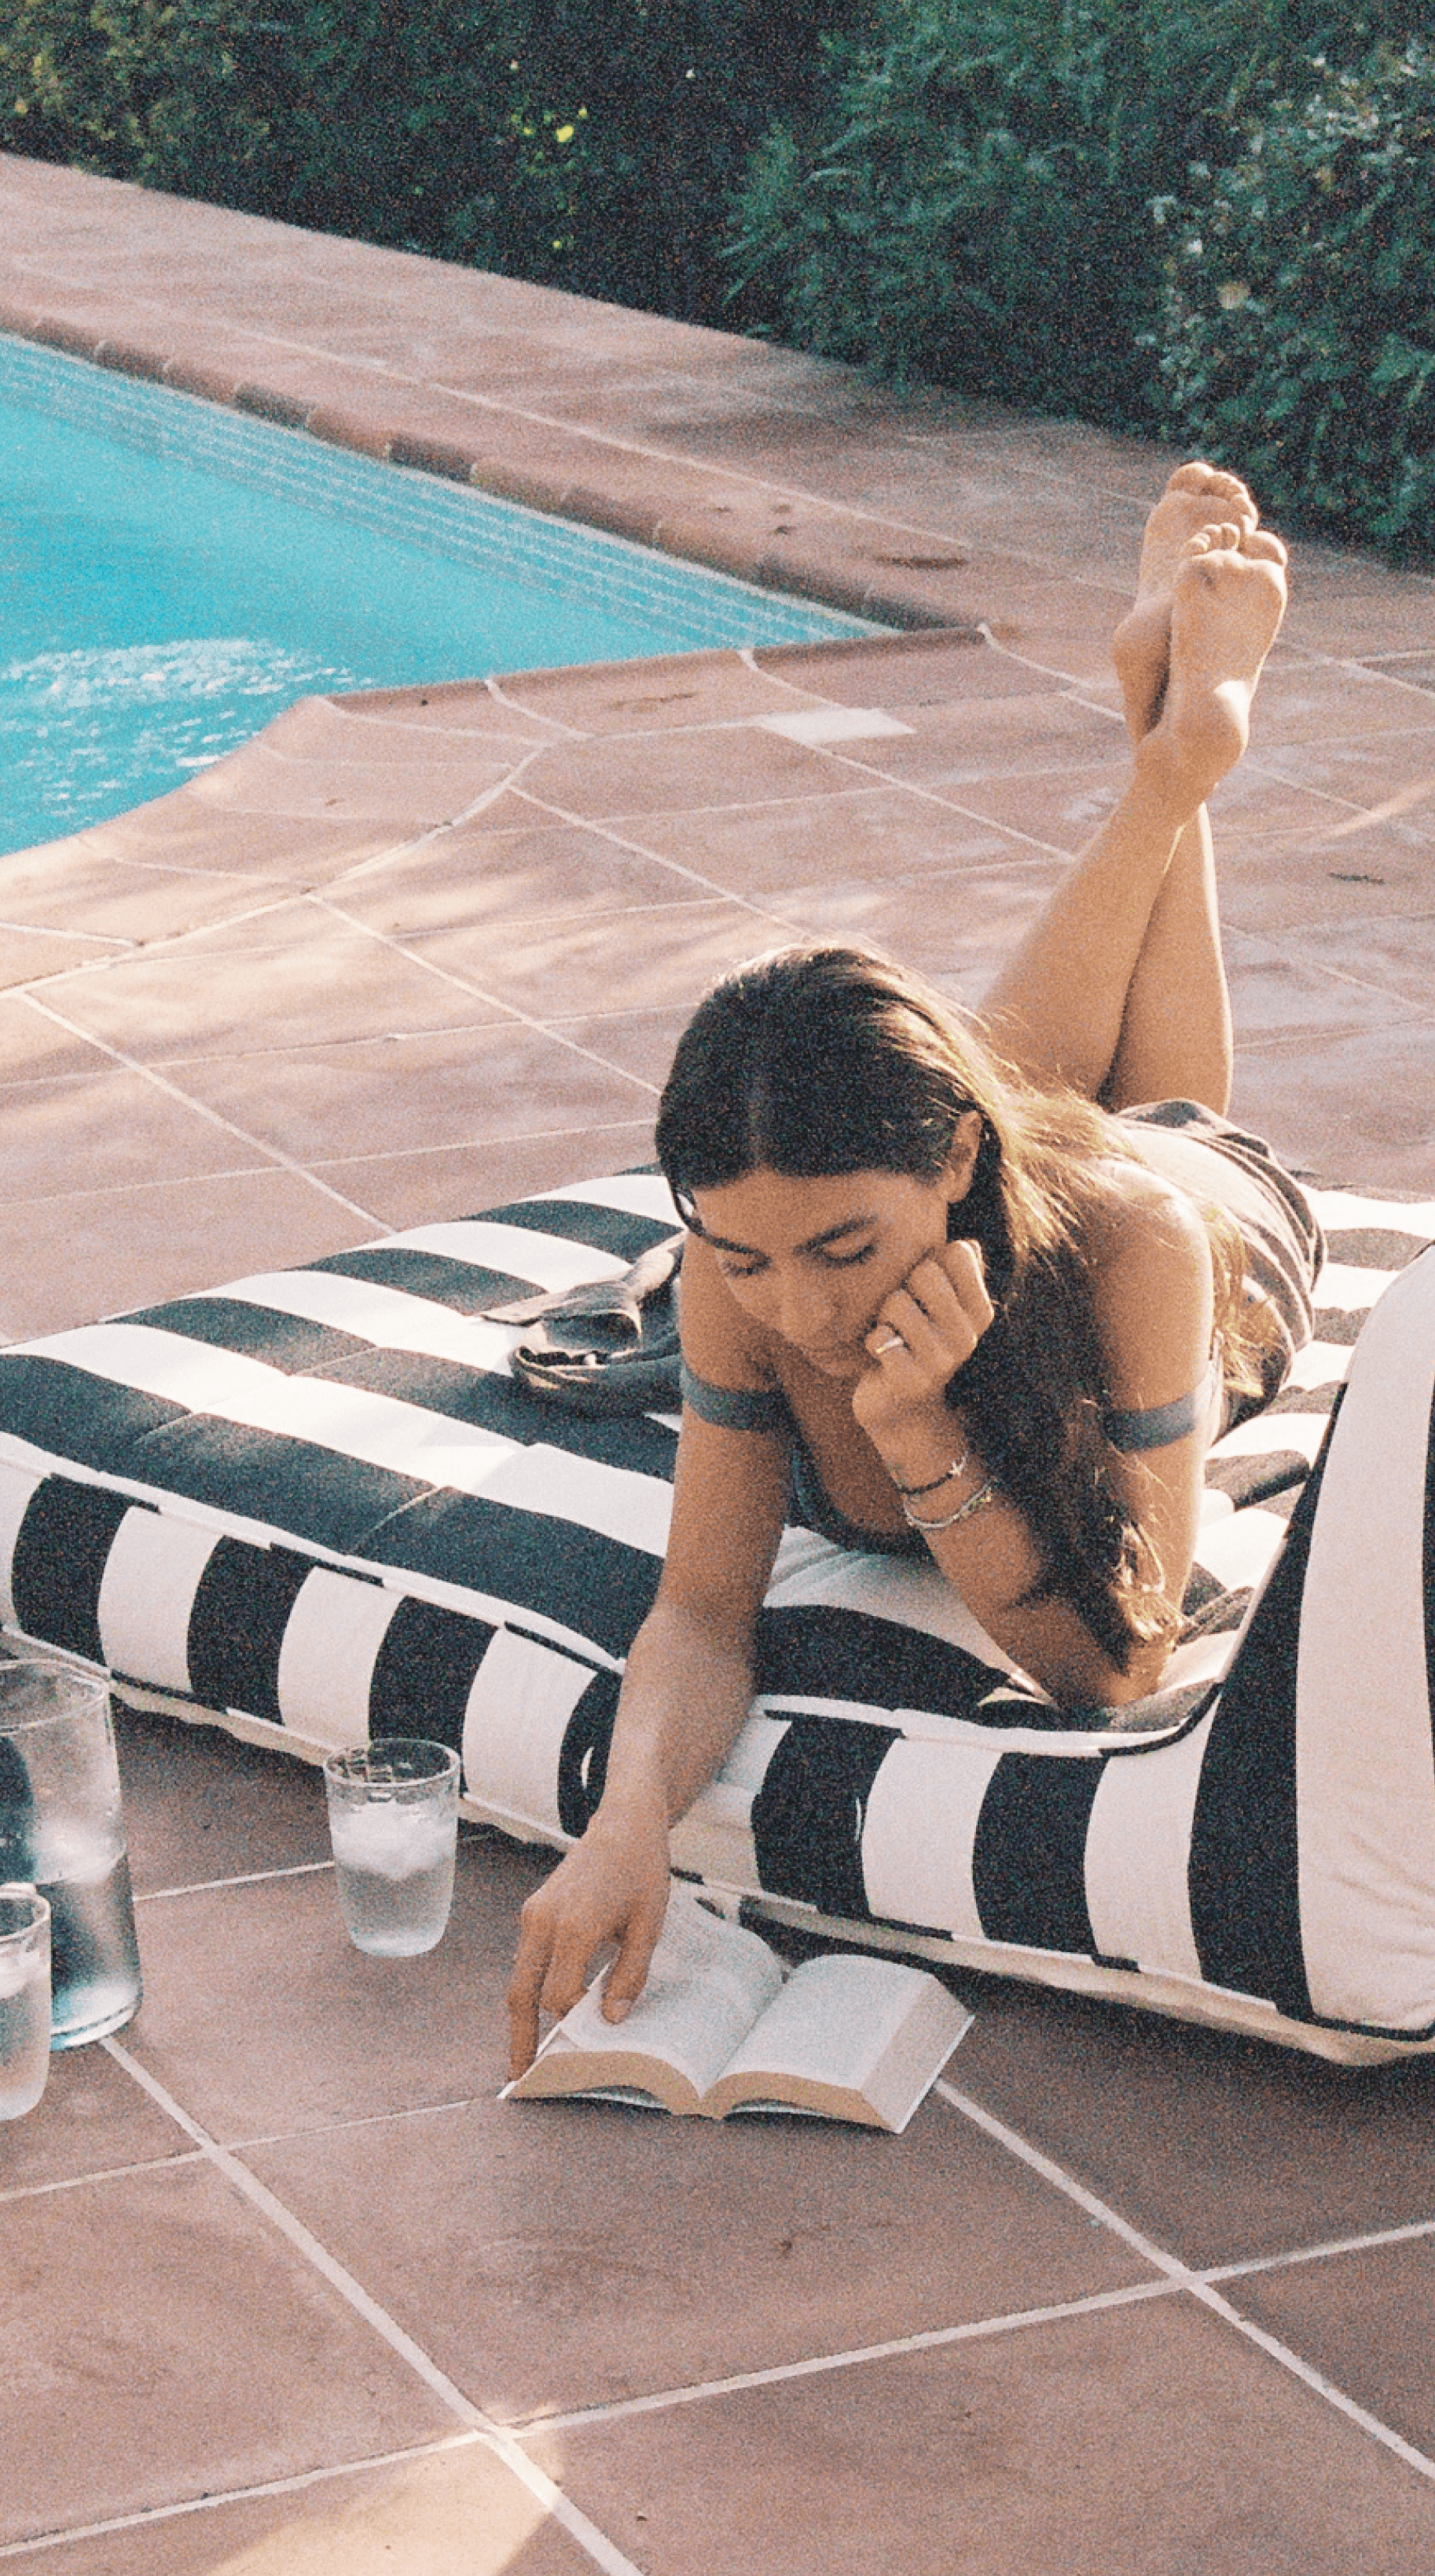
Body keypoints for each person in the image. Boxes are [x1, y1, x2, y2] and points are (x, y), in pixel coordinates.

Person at [505, 464, 1305, 2075]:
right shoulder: (749, 1259)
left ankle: (1179, 764)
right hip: (990, 1147)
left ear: (946, 1177)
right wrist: (626, 1817)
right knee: (1002, 1073)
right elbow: (704, 1610)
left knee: (1159, 1122)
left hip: (1216, 1221)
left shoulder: (1144, 1247)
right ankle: (1172, 759)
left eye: (841, 1252)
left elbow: (1116, 1660)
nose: (796, 1306)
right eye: (744, 1256)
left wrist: (927, 1435)